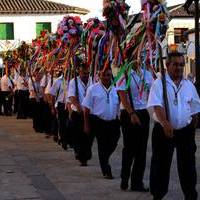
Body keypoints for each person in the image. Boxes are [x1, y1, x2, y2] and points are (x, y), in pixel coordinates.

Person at [147, 52, 200, 200]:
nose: (179, 67)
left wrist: (193, 125)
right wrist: (165, 123)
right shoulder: (159, 84)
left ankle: (190, 195)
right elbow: (157, 105)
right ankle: (158, 195)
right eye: (175, 64)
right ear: (167, 65)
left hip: (185, 132)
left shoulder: (188, 85)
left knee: (188, 166)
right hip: (163, 131)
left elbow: (195, 106)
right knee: (161, 165)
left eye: (181, 64)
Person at [117, 67, 154, 191]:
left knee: (141, 151)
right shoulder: (124, 73)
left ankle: (137, 182)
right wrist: (131, 113)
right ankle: (124, 178)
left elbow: (151, 92)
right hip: (128, 114)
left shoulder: (147, 74)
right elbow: (122, 95)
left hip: (143, 112)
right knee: (129, 148)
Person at [82, 67, 120, 178]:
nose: (107, 77)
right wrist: (86, 124)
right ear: (99, 75)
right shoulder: (92, 89)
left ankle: (105, 157)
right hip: (98, 122)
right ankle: (106, 170)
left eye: (109, 75)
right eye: (104, 75)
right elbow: (86, 108)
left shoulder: (115, 88)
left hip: (113, 121)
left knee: (114, 142)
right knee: (102, 146)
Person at [68, 62, 93, 166]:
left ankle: (86, 154)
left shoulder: (92, 81)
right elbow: (71, 97)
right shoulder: (74, 82)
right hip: (78, 113)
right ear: (79, 72)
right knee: (79, 136)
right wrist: (78, 106)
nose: (86, 75)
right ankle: (81, 156)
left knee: (89, 136)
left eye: (87, 73)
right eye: (84, 73)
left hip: (90, 113)